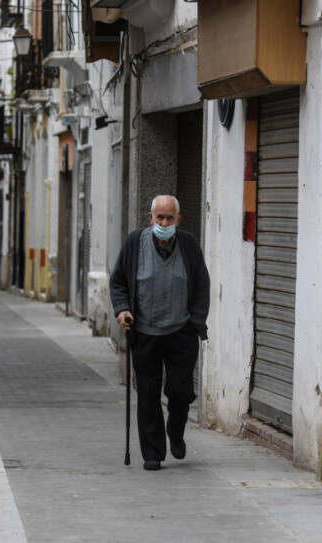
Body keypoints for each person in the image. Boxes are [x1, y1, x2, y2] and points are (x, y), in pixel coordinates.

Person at [109, 195, 210, 471]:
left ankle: (175, 432)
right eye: (160, 217)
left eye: (170, 218)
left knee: (181, 391)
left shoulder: (188, 245)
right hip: (145, 332)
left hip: (181, 331)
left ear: (179, 219)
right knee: (148, 393)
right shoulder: (134, 243)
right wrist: (122, 309)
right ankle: (152, 453)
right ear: (150, 218)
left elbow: (201, 285)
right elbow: (118, 281)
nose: (164, 223)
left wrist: (196, 322)